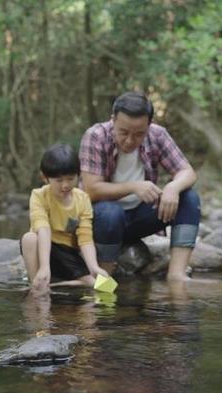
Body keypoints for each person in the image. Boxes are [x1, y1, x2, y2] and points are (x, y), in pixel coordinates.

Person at [79, 91, 201, 281]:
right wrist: (134, 186)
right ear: (113, 120)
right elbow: (91, 190)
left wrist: (172, 188)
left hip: (139, 217)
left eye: (138, 134)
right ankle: (104, 277)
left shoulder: (157, 134)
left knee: (189, 198)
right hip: (101, 221)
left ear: (148, 125)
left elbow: (187, 172)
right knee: (110, 212)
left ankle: (176, 274)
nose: (129, 140)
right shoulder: (96, 136)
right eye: (123, 132)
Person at [20, 143, 109, 294]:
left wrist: (94, 266)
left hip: (68, 253)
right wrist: (44, 267)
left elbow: (85, 237)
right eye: (59, 180)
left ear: (78, 175)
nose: (65, 185)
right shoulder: (39, 196)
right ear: (45, 178)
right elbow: (43, 228)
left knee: (103, 287)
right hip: (44, 247)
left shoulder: (82, 199)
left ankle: (61, 284)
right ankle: (37, 283)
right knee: (29, 238)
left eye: (70, 178)